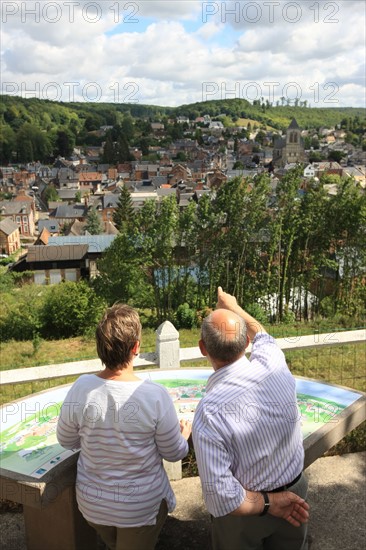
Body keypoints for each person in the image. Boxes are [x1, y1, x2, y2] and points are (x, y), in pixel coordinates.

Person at [57, 304, 191, 550]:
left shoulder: (81, 387)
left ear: (100, 347)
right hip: (139, 508)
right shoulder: (155, 395)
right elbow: (174, 453)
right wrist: (183, 436)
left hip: (92, 504)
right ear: (136, 347)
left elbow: (66, 440)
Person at [192, 287, 309, 550]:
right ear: (246, 343)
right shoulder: (274, 364)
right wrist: (232, 305)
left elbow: (221, 497)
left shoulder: (209, 412)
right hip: (296, 494)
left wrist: (269, 503)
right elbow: (263, 334)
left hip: (245, 513)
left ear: (203, 348)